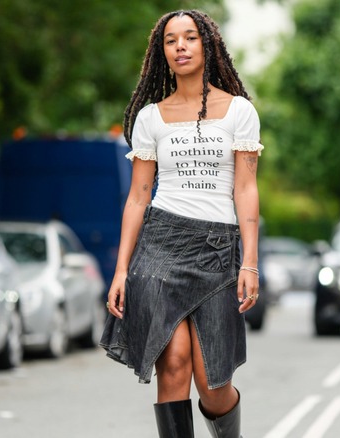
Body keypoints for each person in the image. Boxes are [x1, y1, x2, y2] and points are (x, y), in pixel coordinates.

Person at [99, 9, 263, 438]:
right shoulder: (150, 117)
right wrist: (121, 270)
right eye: (171, 40)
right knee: (172, 365)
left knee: (213, 383)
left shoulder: (239, 111)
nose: (181, 46)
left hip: (217, 248)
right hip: (161, 246)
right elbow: (138, 197)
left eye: (190, 38)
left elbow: (245, 189)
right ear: (162, 52)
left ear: (207, 46)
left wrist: (250, 262)